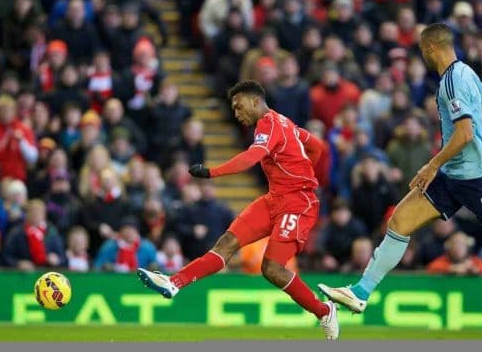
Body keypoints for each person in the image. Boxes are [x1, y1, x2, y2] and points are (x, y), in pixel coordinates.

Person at [318, 23, 482, 316]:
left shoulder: (452, 82)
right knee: (399, 221)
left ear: (431, 47)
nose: (422, 56)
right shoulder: (467, 72)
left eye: (421, 50)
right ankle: (360, 292)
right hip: (453, 176)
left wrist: (433, 165)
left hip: (475, 178)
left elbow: (465, 133)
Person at [138, 80, 339, 340]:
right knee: (227, 243)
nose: (236, 113)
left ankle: (324, 311)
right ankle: (173, 283)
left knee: (273, 269)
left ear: (255, 101)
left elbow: (251, 157)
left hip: (298, 203)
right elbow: (317, 147)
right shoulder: (285, 123)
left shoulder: (268, 123)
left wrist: (212, 172)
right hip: (276, 198)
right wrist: (301, 169)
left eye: (238, 105)